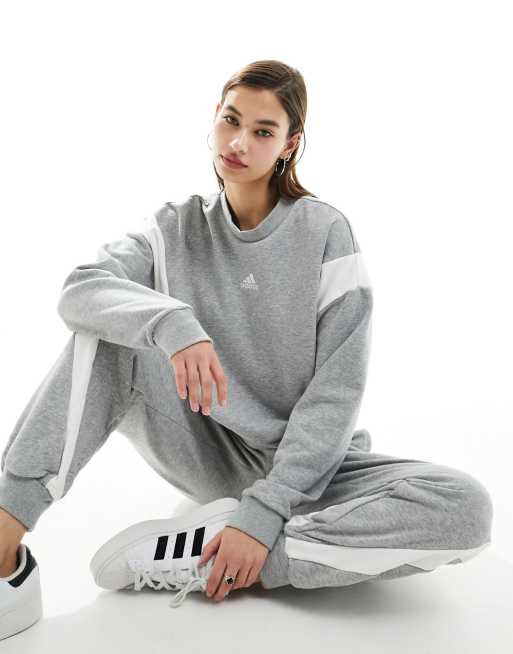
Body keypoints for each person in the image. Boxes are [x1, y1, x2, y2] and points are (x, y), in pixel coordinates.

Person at [0, 59, 493, 637]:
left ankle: (224, 554)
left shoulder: (324, 234)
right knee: (110, 337)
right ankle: (6, 548)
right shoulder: (173, 228)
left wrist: (264, 513)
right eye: (231, 120)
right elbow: (82, 289)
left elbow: (335, 393)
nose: (238, 143)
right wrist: (172, 321)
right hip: (206, 451)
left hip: (309, 467)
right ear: (214, 117)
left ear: (290, 144)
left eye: (263, 131)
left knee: (465, 507)